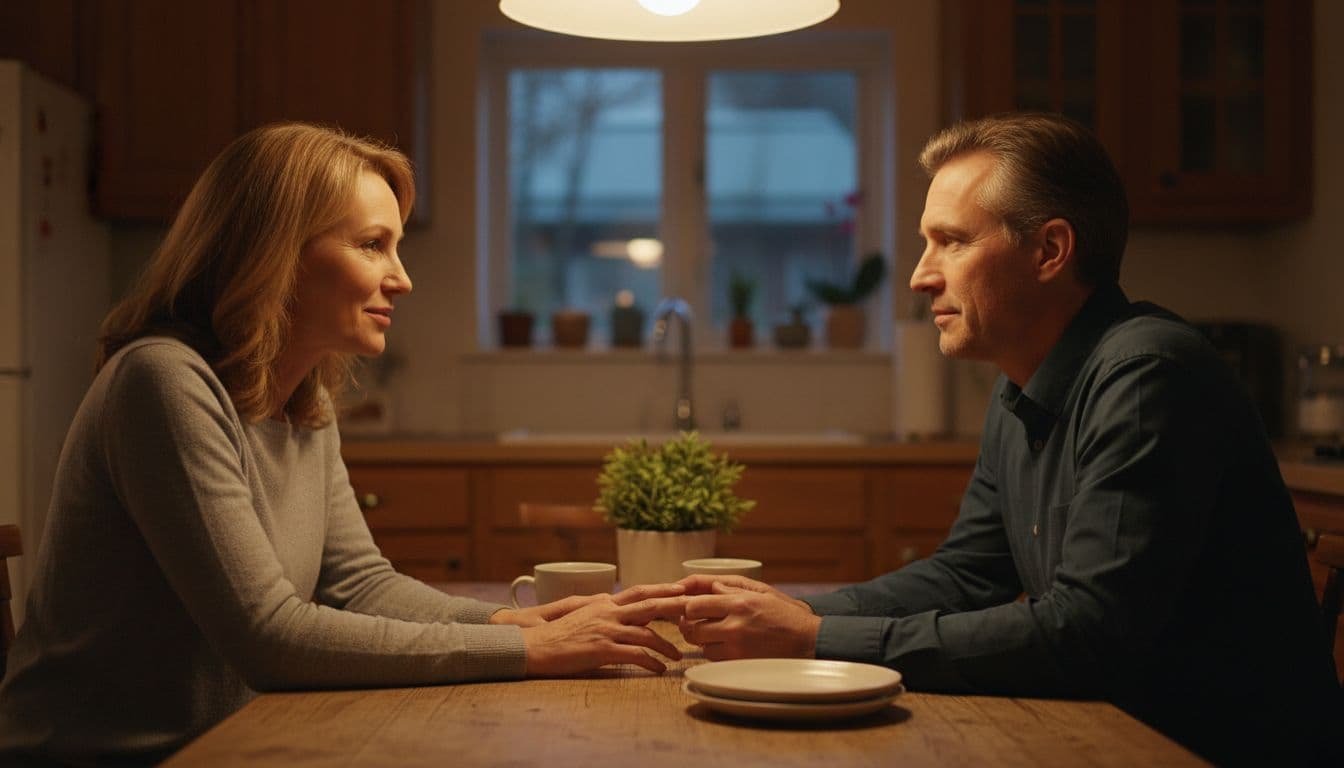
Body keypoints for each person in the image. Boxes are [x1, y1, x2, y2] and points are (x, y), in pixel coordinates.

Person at [0, 122, 686, 766]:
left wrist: (518, 622)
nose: (403, 277)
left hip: (229, 742)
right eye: (371, 244)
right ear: (273, 253)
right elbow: (270, 639)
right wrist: (530, 651)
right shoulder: (162, 381)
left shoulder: (304, 397)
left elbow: (359, 584)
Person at [677, 112, 1342, 766]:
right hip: (1113, 733)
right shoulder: (1022, 382)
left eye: (952, 241)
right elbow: (969, 572)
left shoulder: (1147, 375)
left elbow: (1088, 636)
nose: (919, 275)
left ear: (1050, 251)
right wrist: (794, 612)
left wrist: (818, 637)